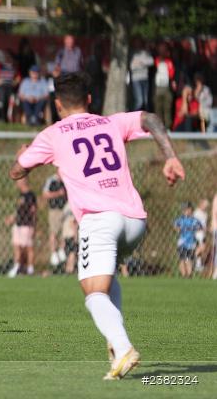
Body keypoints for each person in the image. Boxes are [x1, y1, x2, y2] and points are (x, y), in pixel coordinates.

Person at [10, 71, 185, 380]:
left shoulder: (53, 134)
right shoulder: (111, 123)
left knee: (93, 292)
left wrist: (23, 156)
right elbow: (152, 119)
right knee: (107, 278)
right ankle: (117, 350)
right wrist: (170, 157)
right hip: (134, 221)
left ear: (58, 104)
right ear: (89, 100)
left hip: (100, 220)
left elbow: (17, 172)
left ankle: (123, 347)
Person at [6, 177, 37, 277]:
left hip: (27, 224)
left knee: (28, 247)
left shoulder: (30, 195)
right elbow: (19, 211)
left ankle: (30, 268)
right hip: (18, 224)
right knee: (16, 246)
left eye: (18, 181)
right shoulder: (20, 195)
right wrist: (12, 218)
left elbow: (33, 211)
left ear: (23, 182)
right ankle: (16, 267)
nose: (17, 184)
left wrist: (33, 226)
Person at [43, 174, 68, 268]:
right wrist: (58, 193)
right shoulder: (51, 180)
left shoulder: (65, 180)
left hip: (65, 209)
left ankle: (62, 250)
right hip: (55, 210)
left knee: (64, 232)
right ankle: (53, 253)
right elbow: (45, 194)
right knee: (54, 232)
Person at [174, 202, 202, 278]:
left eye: (187, 209)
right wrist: (178, 229)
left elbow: (200, 227)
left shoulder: (194, 220)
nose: (185, 211)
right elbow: (176, 226)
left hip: (191, 242)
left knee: (189, 259)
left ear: (190, 209)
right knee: (182, 259)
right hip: (182, 242)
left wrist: (194, 229)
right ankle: (184, 275)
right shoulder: (181, 219)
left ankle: (189, 275)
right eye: (184, 210)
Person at [128, 40, 154, 111]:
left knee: (146, 101)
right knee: (139, 101)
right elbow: (131, 66)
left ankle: (145, 118)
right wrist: (140, 64)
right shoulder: (131, 53)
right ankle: (134, 116)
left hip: (145, 78)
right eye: (136, 42)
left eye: (139, 41)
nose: (137, 43)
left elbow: (151, 61)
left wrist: (142, 62)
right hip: (136, 79)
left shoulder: (144, 52)